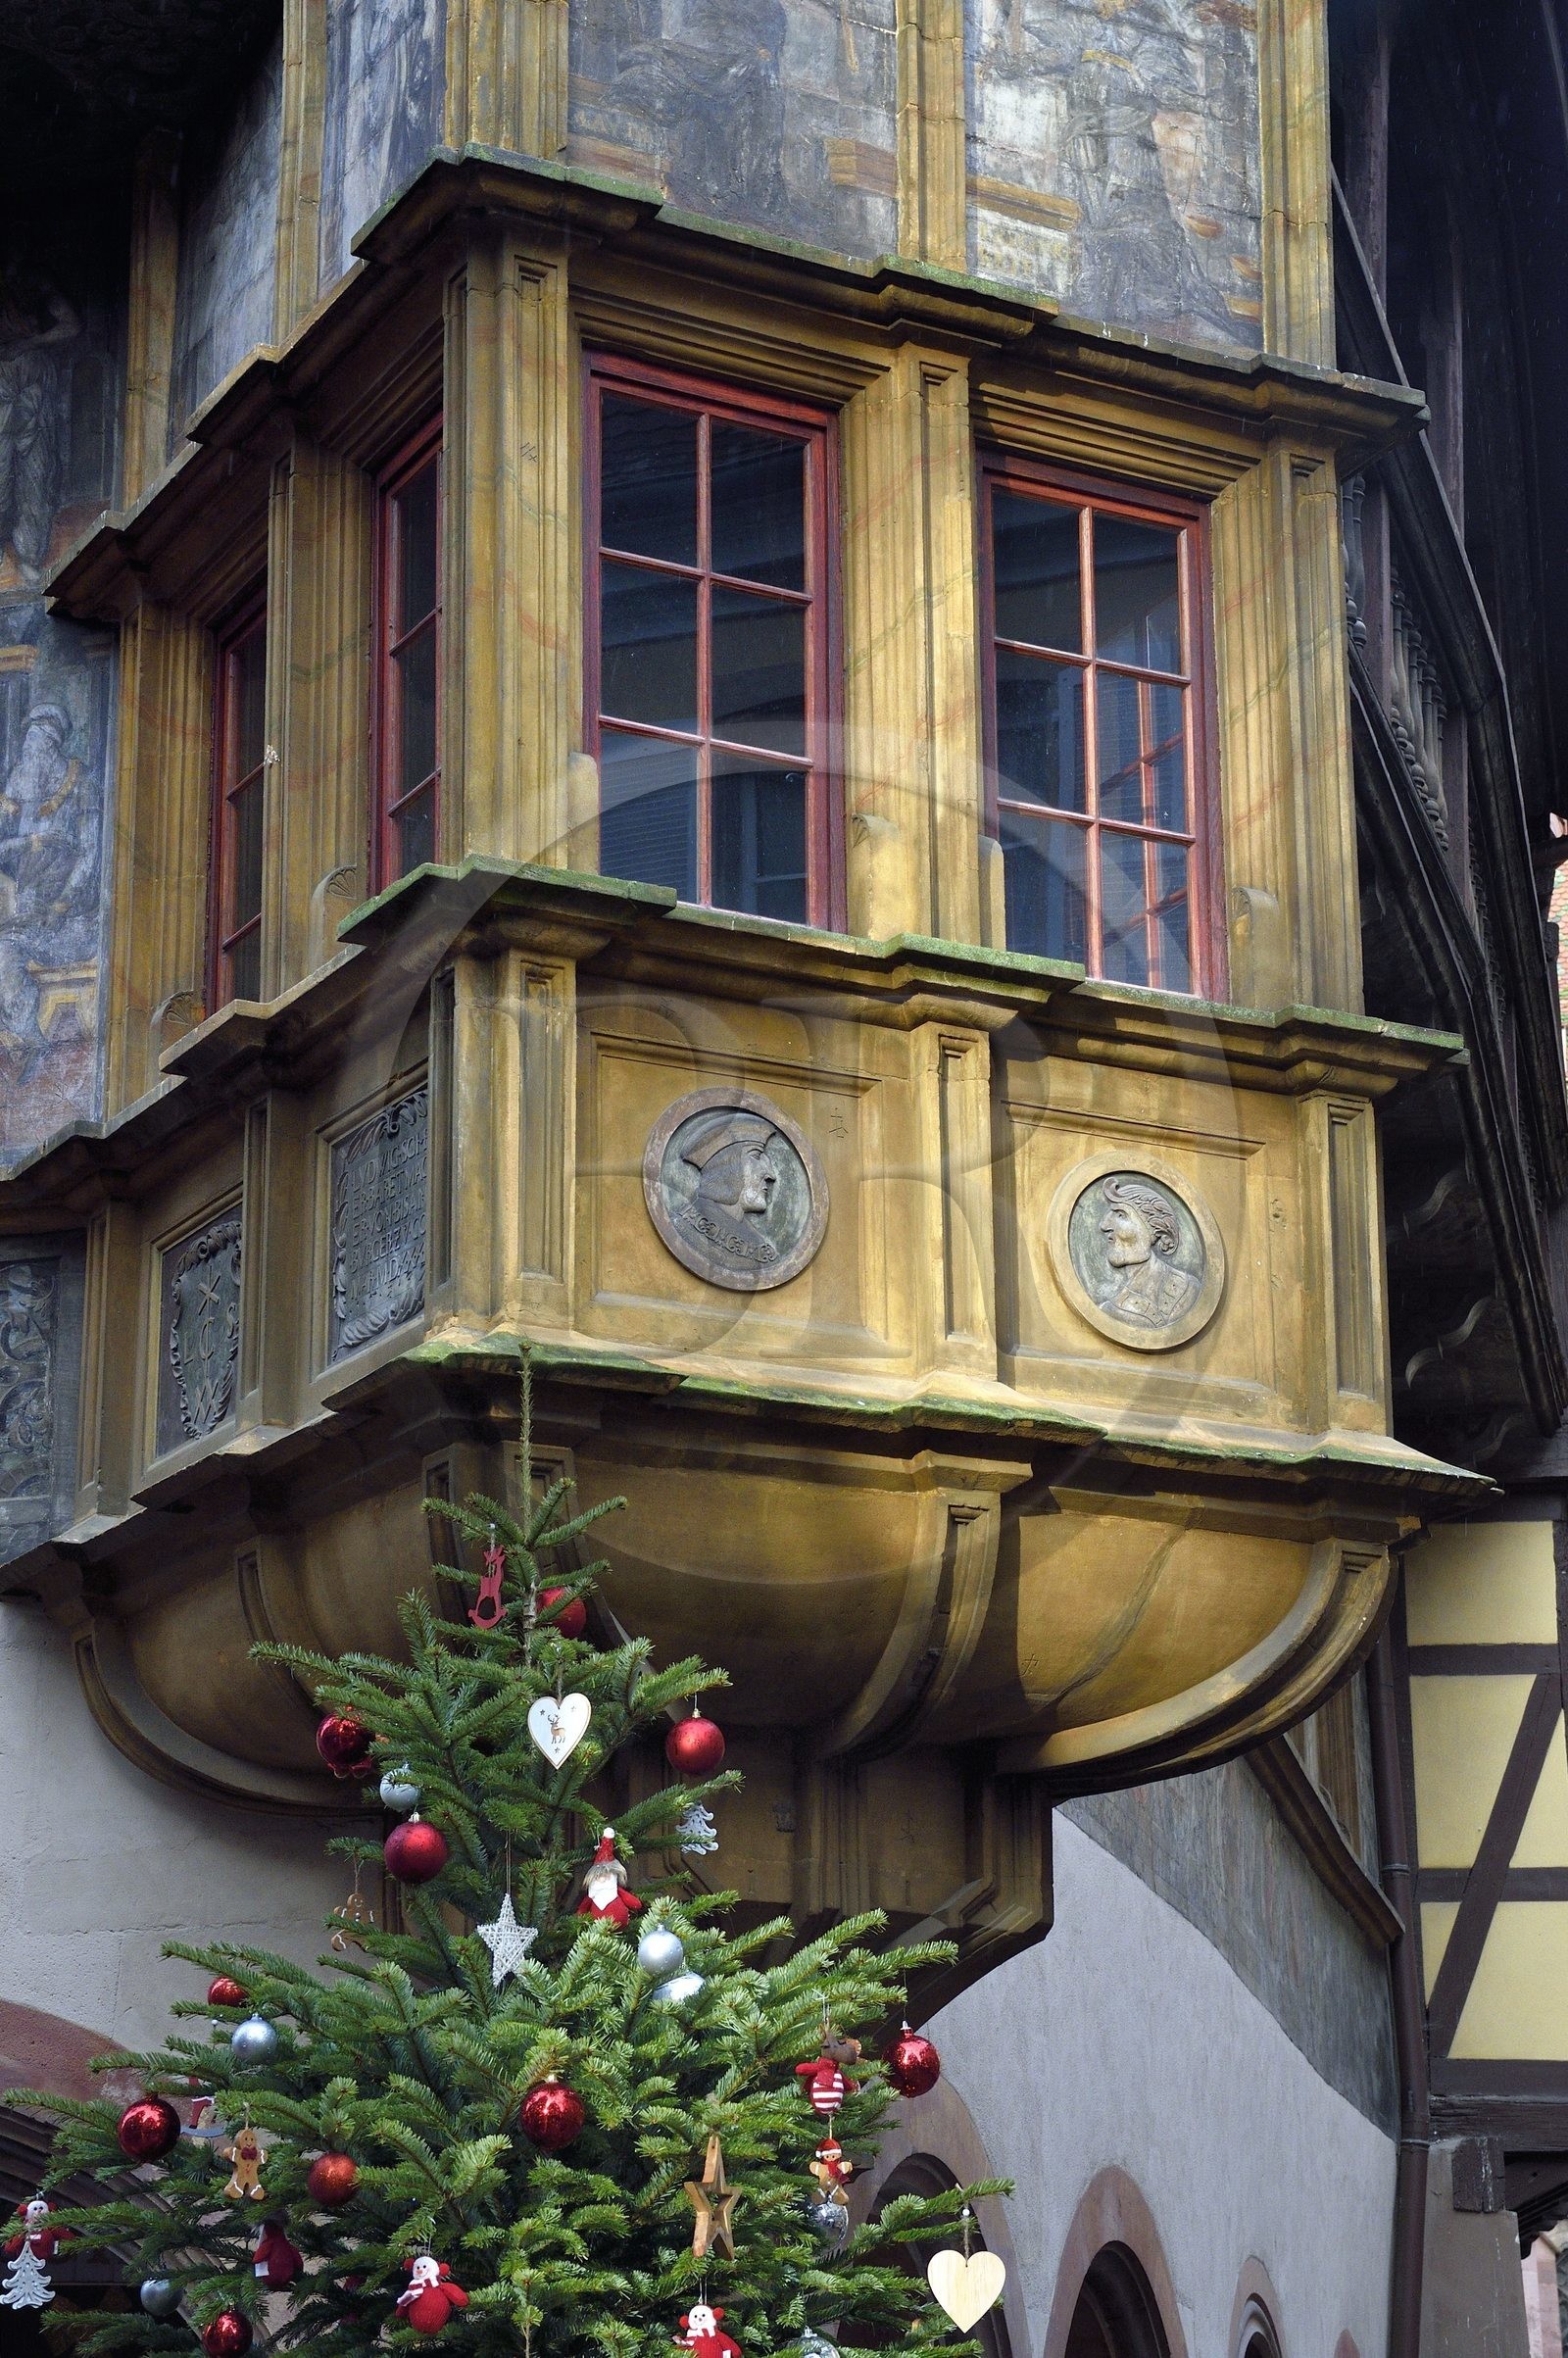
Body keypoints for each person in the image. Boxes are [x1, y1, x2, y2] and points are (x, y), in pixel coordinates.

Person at [675, 1112, 781, 1272]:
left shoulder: (759, 1245)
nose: (771, 1175)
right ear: (726, 1165)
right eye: (756, 1156)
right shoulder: (684, 1229)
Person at [1094, 1174, 1199, 1328]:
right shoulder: (1110, 1310)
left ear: (1153, 1228)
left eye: (1121, 1215)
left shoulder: (1190, 1289)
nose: (1104, 1225)